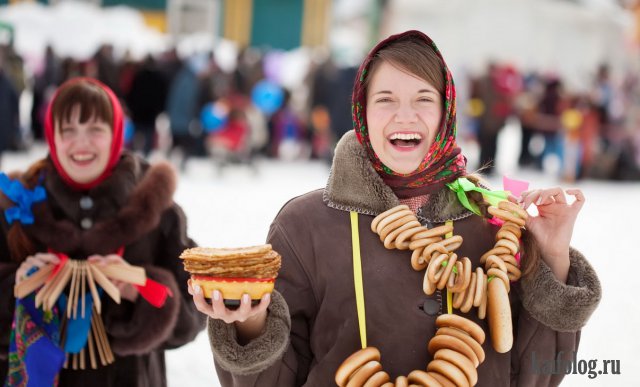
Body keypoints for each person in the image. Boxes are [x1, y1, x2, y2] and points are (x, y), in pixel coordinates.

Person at [189, 30, 601, 386]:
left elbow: (538, 375)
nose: (405, 116)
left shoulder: (494, 226)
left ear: (446, 113)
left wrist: (552, 255)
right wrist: (248, 323)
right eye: (385, 99)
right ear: (362, 113)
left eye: (424, 98)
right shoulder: (304, 227)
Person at [0, 77, 205, 386]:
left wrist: (141, 289)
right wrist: (16, 285)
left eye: (95, 129)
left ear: (116, 134)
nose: (81, 143)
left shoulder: (157, 210)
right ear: (53, 137)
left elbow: (194, 314)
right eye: (68, 131)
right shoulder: (17, 207)